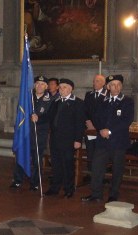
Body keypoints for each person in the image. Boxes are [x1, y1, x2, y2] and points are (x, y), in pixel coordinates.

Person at [81, 75, 134, 203]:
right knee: (97, 167)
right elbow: (96, 117)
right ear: (108, 87)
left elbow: (126, 120)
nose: (116, 87)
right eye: (113, 84)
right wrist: (101, 129)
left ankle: (113, 194)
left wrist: (109, 130)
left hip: (118, 141)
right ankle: (96, 194)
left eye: (118, 84)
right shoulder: (102, 101)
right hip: (102, 140)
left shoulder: (127, 101)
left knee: (117, 169)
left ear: (121, 86)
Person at [44, 78, 85, 198]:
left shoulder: (77, 103)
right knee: (56, 164)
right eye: (60, 87)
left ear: (71, 89)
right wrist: (38, 118)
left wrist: (78, 139)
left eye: (64, 87)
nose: (62, 90)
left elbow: (80, 123)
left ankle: (69, 189)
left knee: (67, 165)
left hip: (69, 139)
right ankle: (55, 188)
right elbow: (49, 117)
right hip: (55, 138)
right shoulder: (56, 102)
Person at [10, 76, 52, 191]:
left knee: (36, 159)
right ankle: (17, 180)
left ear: (46, 87)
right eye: (37, 83)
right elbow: (21, 113)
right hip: (26, 133)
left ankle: (35, 183)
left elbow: (51, 117)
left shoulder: (51, 100)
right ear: (34, 85)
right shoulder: (27, 98)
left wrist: (39, 118)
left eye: (42, 84)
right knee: (21, 156)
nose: (39, 86)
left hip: (39, 134)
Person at [83, 74, 108, 181]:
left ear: (103, 83)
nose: (94, 83)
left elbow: (108, 113)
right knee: (90, 151)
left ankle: (101, 176)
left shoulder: (108, 95)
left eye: (97, 81)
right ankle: (90, 174)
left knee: (101, 153)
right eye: (94, 81)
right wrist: (88, 122)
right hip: (90, 128)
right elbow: (85, 110)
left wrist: (99, 126)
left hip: (102, 129)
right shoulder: (89, 94)